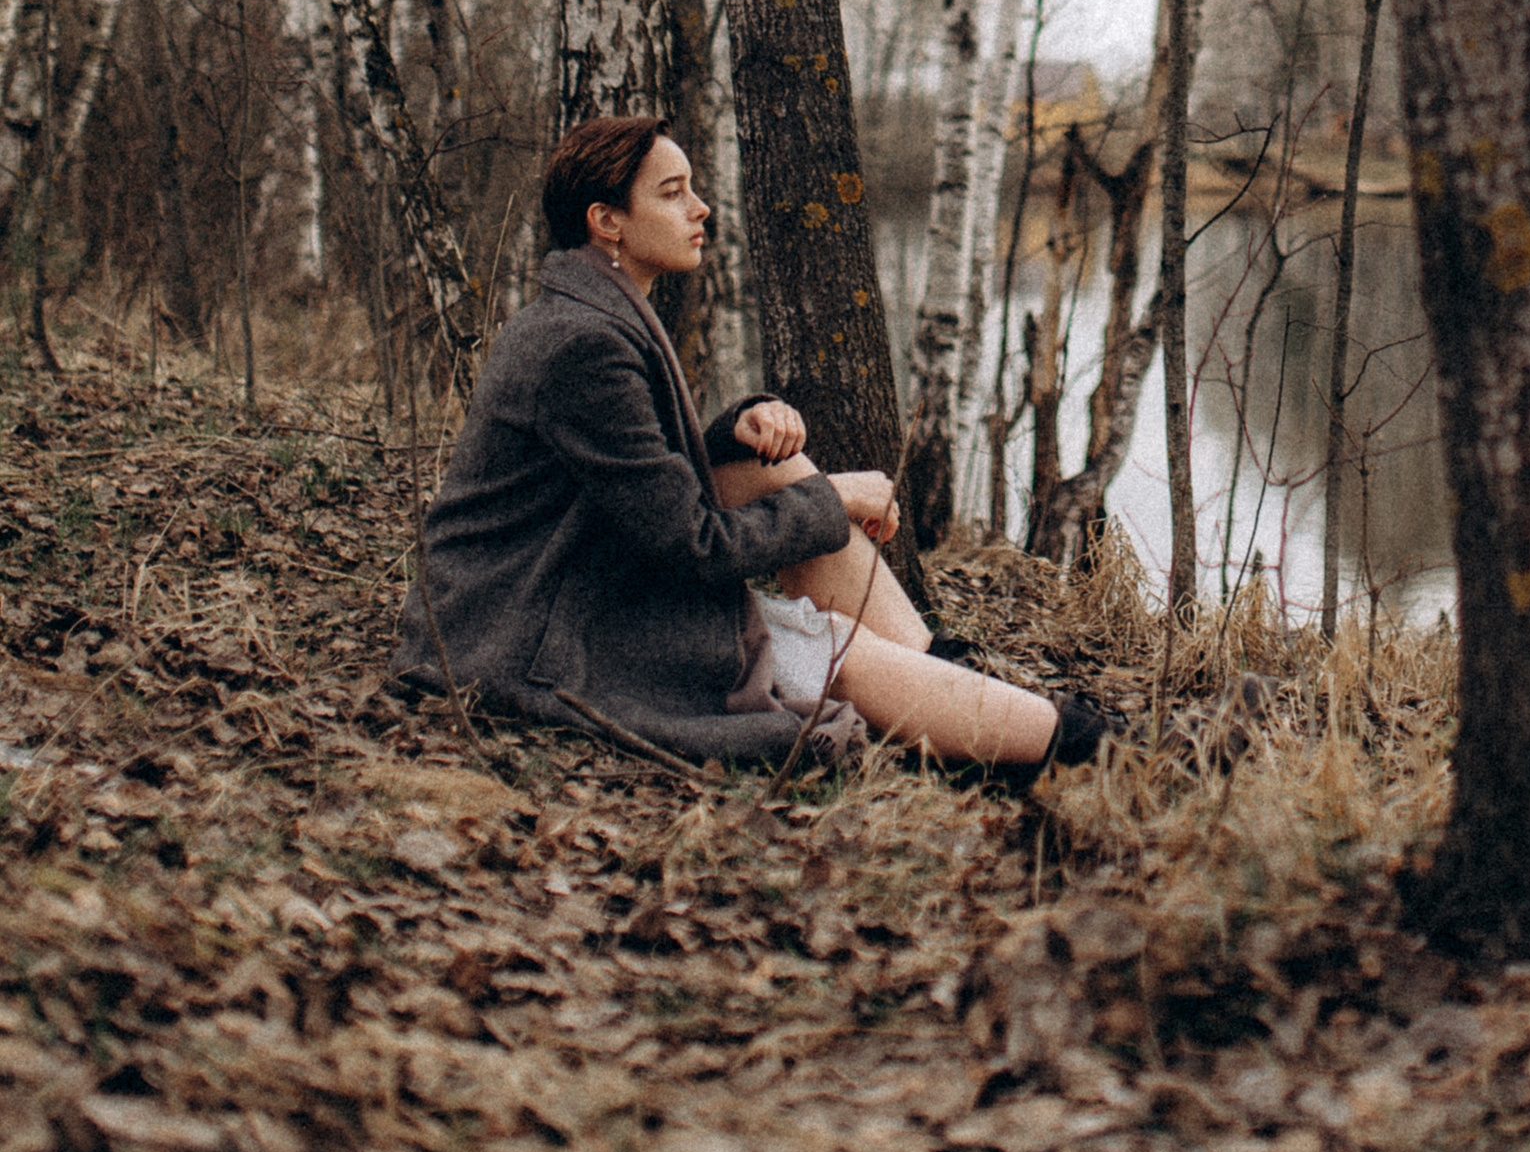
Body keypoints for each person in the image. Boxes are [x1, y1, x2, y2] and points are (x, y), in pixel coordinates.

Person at [391, 115, 1103, 774]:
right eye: (673, 194)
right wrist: (835, 499)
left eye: (693, 189)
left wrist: (735, 431)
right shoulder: (584, 345)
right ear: (607, 222)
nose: (700, 209)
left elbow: (636, 479)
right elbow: (695, 546)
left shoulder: (589, 314)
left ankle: (944, 675)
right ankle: (1083, 744)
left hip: (554, 579)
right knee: (831, 653)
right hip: (520, 628)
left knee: (781, 471)